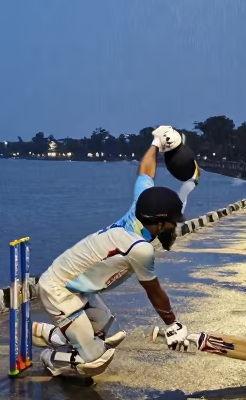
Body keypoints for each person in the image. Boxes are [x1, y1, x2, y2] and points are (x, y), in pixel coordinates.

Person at [35, 127, 195, 378]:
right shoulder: (138, 248)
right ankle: (50, 357)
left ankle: (60, 335)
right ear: (160, 222)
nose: (175, 226)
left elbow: (145, 172)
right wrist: (172, 325)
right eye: (172, 222)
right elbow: (154, 291)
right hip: (58, 289)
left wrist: (156, 144)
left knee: (114, 337)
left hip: (81, 289)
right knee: (95, 361)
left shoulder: (141, 207)